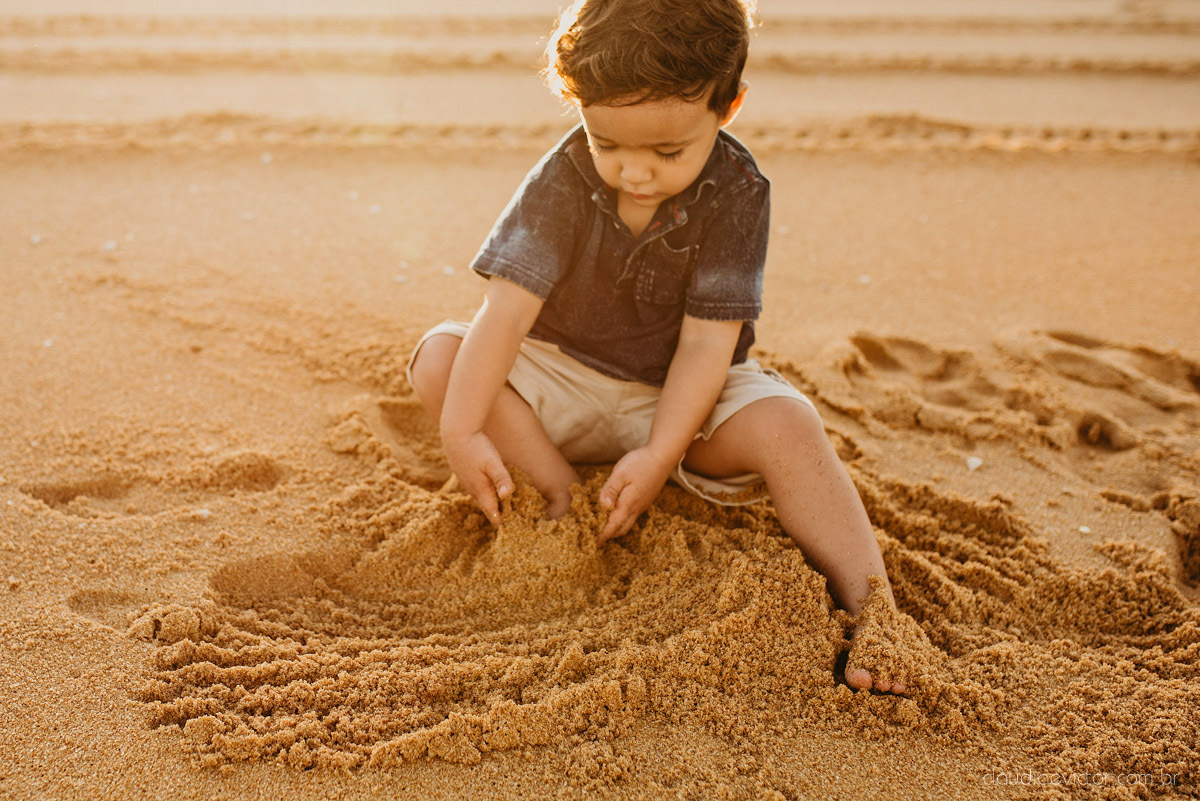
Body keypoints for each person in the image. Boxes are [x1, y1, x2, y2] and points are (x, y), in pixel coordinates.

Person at [407, 0, 907, 694]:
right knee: (441, 359)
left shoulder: (737, 191)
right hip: (561, 379)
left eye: (667, 153)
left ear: (728, 105)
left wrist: (659, 451)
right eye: (607, 142)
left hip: (682, 398)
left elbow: (707, 345)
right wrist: (461, 429)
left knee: (790, 424)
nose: (633, 172)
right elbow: (507, 311)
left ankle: (876, 607)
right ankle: (558, 492)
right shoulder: (565, 175)